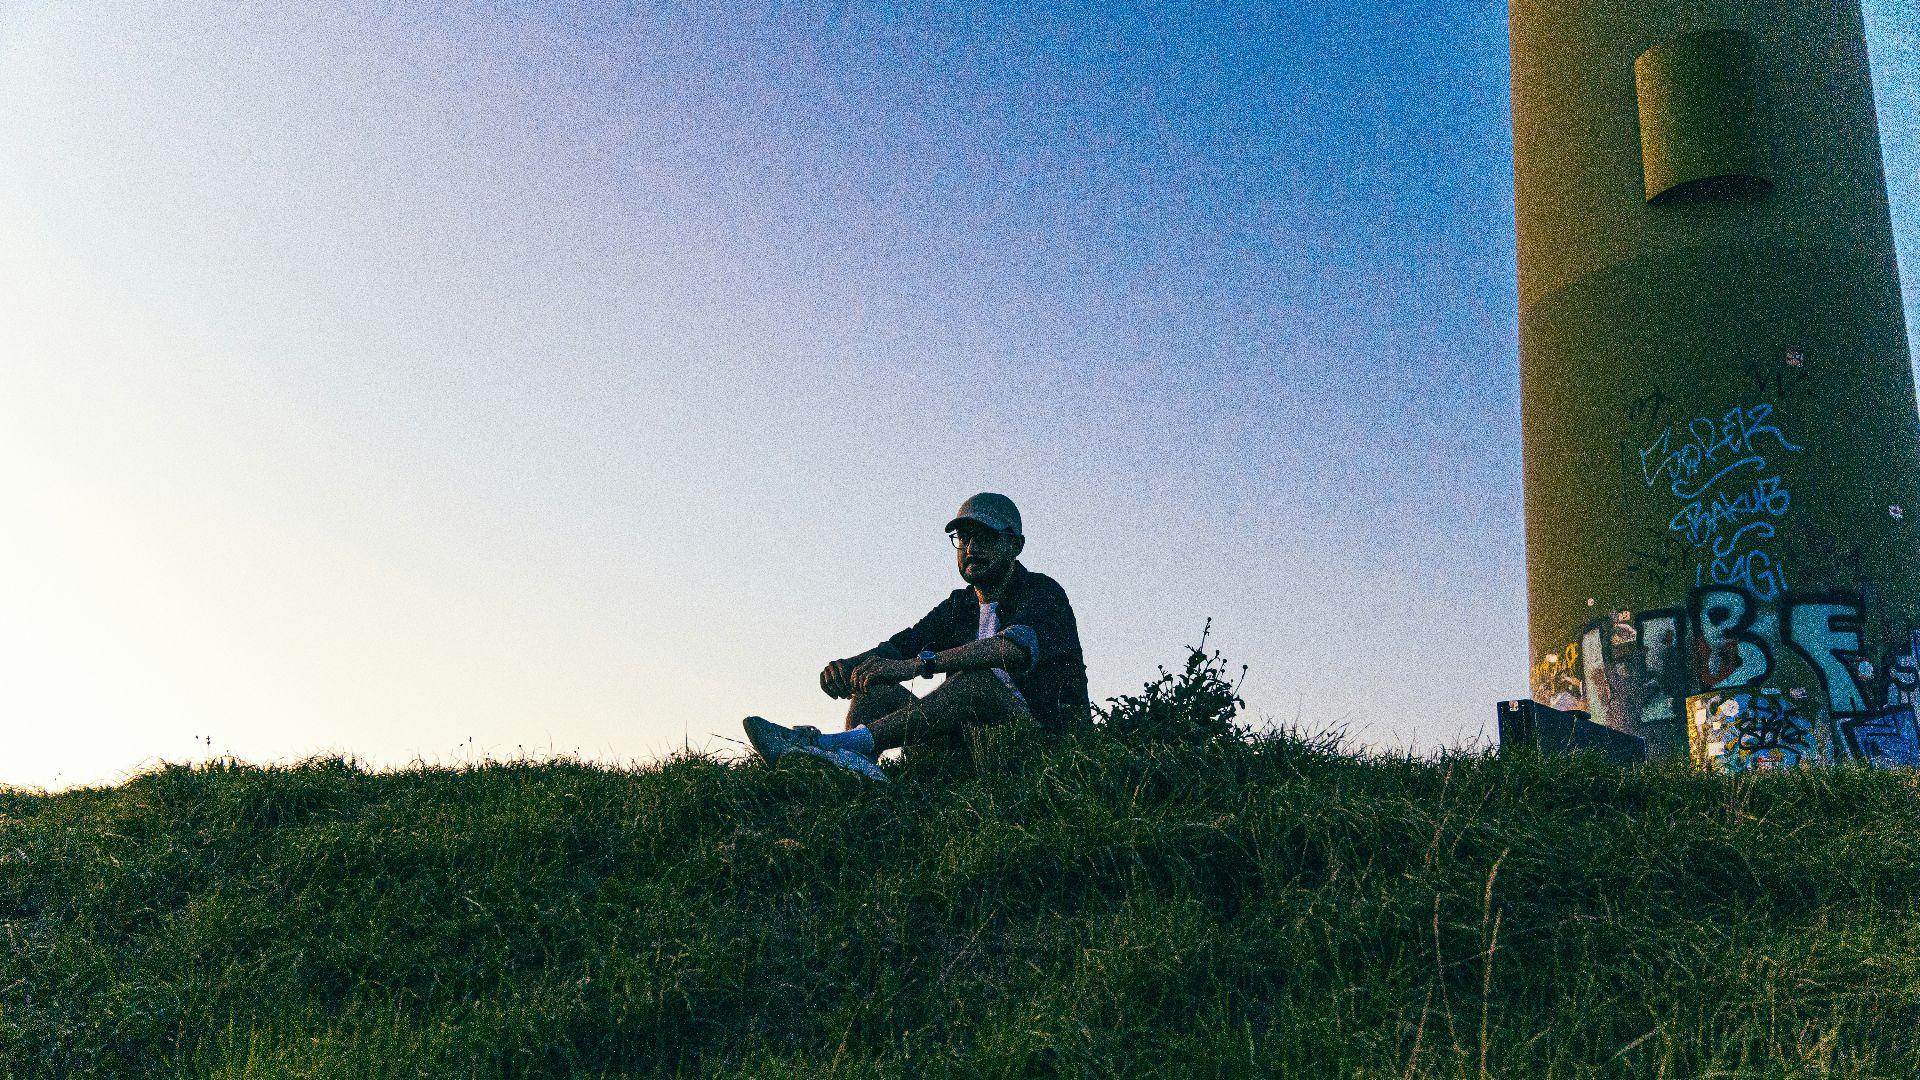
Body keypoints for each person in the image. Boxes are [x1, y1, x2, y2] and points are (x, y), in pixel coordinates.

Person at [743, 492, 1089, 781]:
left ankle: (831, 745)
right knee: (874, 686)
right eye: (963, 538)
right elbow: (901, 646)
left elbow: (1011, 648)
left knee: (977, 682)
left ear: (1015, 545)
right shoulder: (959, 606)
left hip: (1040, 748)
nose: (970, 548)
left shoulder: (1043, 592)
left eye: (984, 537)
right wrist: (850, 666)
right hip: (965, 749)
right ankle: (853, 773)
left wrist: (919, 665)